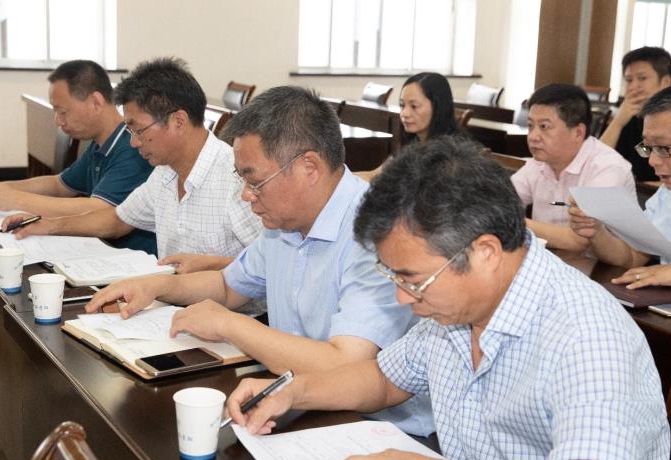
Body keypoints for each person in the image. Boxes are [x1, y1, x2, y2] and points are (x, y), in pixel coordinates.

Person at [226, 136, 671, 460]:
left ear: (485, 253)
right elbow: (385, 379)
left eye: (413, 280)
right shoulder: (458, 309)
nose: (403, 298)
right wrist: (294, 391)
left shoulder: (585, 336)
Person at [86, 85, 432, 435]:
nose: (246, 195)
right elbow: (228, 285)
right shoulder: (284, 222)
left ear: (309, 167)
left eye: (255, 181)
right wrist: (158, 286)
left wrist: (230, 325)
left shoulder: (376, 233)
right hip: (298, 402)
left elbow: (346, 365)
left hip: (381, 429)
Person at [2, 57, 260, 272]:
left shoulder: (237, 181)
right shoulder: (164, 173)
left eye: (138, 130)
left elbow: (272, 267)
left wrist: (216, 267)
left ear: (178, 121)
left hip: (229, 313)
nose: (134, 142)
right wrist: (49, 225)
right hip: (174, 303)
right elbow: (118, 219)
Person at [0, 60, 156, 254]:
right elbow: (59, 184)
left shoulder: (133, 147)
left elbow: (99, 209)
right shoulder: (101, 143)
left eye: (63, 111)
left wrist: (13, 199)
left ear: (96, 102)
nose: (58, 121)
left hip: (128, 256)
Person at [570, 83, 671, 302]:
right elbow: (632, 257)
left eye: (663, 148)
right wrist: (596, 233)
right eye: (648, 148)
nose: (653, 161)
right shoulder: (668, 192)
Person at [510, 84, 635, 252]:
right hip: (552, 259)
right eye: (530, 126)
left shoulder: (607, 167)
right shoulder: (538, 163)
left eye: (544, 126)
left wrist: (514, 223)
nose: (533, 137)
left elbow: (578, 240)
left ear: (578, 132)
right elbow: (500, 202)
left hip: (605, 266)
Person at [357, 72, 461, 181]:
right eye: (402, 105)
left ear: (438, 107)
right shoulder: (413, 142)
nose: (404, 113)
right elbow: (376, 174)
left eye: (414, 106)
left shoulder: (451, 157)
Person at [600, 47, 671, 182]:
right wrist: (618, 122)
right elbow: (598, 161)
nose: (633, 86)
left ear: (665, 82)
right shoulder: (631, 117)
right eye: (629, 80)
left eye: (642, 78)